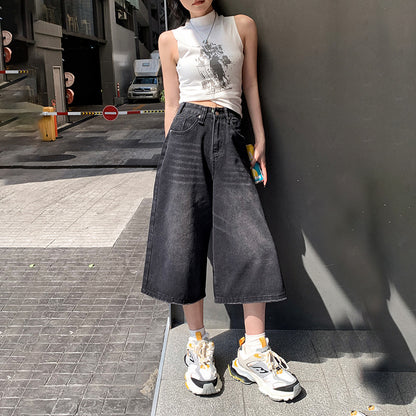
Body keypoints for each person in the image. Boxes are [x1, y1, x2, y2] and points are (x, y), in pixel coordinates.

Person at [141, 0, 302, 401]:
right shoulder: (169, 39)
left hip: (230, 133)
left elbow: (249, 85)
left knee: (252, 241)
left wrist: (259, 137)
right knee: (182, 240)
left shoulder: (241, 26)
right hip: (183, 137)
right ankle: (197, 345)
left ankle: (254, 351)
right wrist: (168, 156)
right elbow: (172, 103)